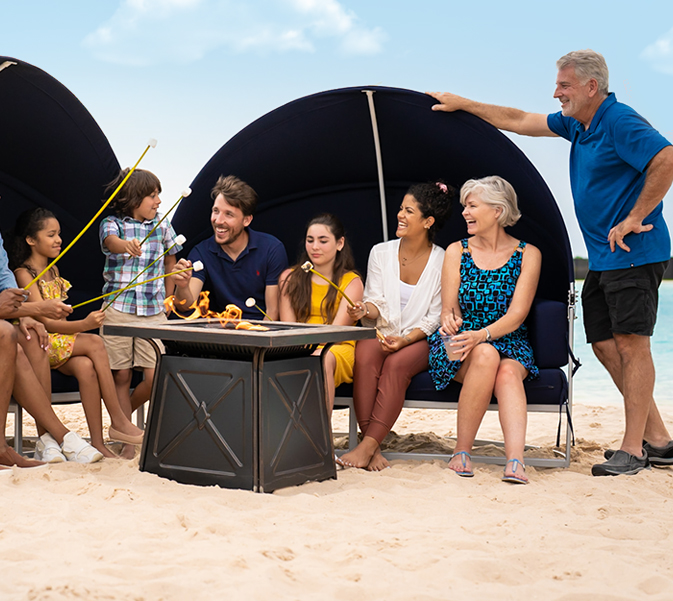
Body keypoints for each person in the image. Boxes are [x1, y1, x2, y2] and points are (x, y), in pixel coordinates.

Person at [429, 49, 673, 477]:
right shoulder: (579, 126)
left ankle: (634, 448)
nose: (555, 93)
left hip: (636, 255)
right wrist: (464, 103)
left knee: (632, 344)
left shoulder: (618, 120)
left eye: (564, 85)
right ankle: (658, 438)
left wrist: (636, 217)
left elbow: (666, 158)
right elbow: (520, 119)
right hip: (604, 258)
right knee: (603, 345)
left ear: (591, 87)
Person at [427, 177, 541, 484]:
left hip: (509, 340)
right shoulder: (457, 251)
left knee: (504, 370)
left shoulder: (528, 254)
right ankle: (461, 451)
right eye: (465, 206)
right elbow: (450, 309)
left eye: (472, 206)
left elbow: (517, 315)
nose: (464, 212)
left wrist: (483, 335)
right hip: (462, 343)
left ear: (498, 211)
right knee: (487, 356)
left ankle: (515, 461)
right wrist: (450, 321)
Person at [9, 208, 145, 460]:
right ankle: (117, 419)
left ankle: (97, 442)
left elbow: (59, 319)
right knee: (94, 342)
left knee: (85, 367)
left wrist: (75, 320)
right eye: (51, 234)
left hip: (59, 346)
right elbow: (46, 324)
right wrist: (84, 324)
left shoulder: (54, 271)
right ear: (31, 240)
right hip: (41, 344)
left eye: (59, 234)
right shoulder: (23, 274)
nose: (58, 239)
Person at [339, 181, 454, 471]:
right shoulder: (380, 252)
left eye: (409, 211)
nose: (400, 215)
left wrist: (406, 340)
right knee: (364, 357)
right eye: (401, 209)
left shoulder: (443, 260)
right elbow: (376, 301)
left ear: (428, 222)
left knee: (396, 366)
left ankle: (366, 445)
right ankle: (372, 448)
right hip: (380, 331)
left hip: (422, 339)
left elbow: (435, 316)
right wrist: (364, 309)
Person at [0, 227, 103, 467]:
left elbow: (4, 282)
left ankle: (48, 438)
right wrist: (35, 310)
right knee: (7, 332)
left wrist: (20, 312)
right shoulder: (25, 272)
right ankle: (64, 436)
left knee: (29, 336)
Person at [99, 167, 182, 457]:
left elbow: (171, 259)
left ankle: (120, 420)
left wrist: (169, 297)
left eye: (158, 194)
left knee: (156, 374)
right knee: (120, 376)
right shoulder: (112, 223)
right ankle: (127, 441)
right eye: (152, 195)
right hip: (117, 309)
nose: (158, 200)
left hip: (153, 311)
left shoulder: (162, 223)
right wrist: (127, 246)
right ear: (133, 198)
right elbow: (112, 244)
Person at [278, 214, 364, 413]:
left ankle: (319, 437)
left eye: (323, 241)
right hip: (298, 345)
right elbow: (290, 328)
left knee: (321, 358)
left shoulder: (351, 281)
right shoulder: (289, 278)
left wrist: (311, 351)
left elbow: (336, 333)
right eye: (310, 240)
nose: (314, 247)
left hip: (336, 348)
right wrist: (301, 350)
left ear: (340, 243)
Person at [171, 175, 288, 320]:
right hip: (223, 333)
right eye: (216, 211)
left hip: (261, 333)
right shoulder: (201, 252)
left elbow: (273, 312)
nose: (218, 220)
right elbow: (186, 307)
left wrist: (257, 340)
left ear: (246, 220)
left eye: (229, 214)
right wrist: (182, 286)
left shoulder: (272, 249)